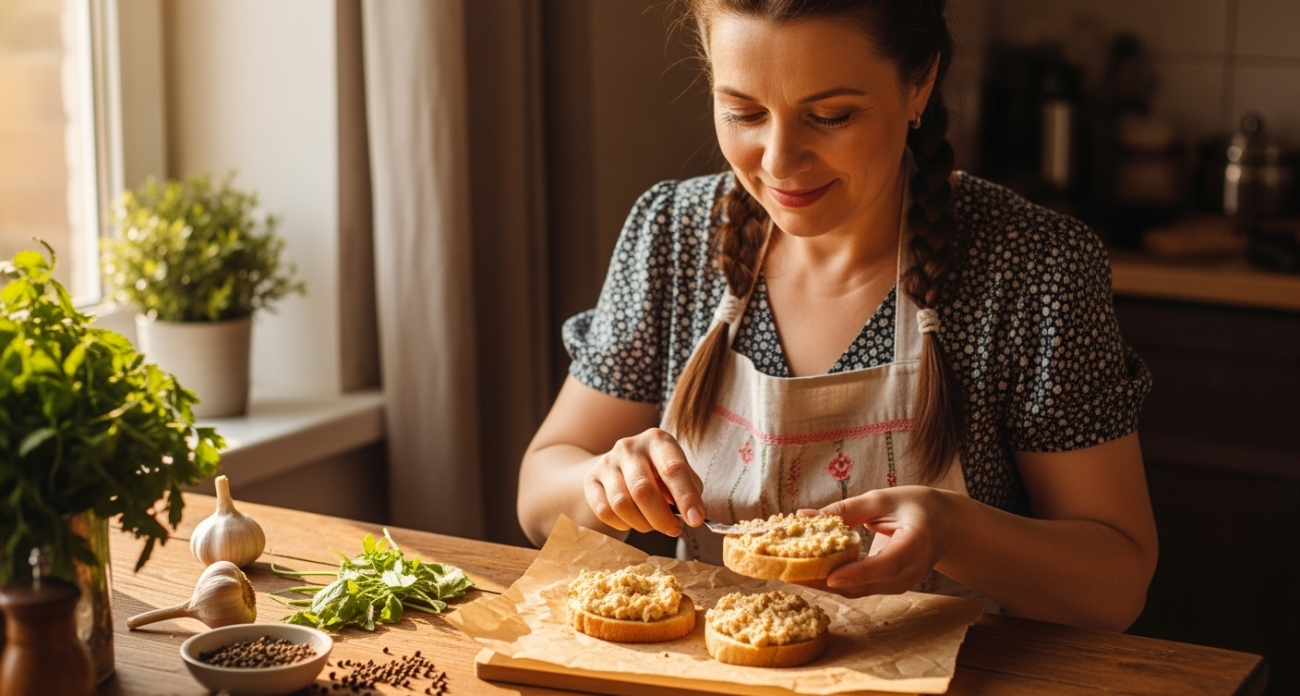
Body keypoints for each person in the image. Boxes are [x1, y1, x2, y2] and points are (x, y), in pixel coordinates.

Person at [518, 0, 1157, 633]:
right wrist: (603, 481)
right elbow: (539, 497)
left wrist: (956, 532)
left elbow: (1116, 586)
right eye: (744, 112)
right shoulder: (674, 234)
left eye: (830, 117)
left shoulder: (1034, 268)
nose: (778, 161)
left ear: (919, 83)